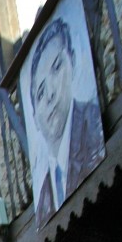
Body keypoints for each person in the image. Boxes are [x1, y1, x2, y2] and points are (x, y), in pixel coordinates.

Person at [28, 18, 105, 227]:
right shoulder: (45, 191)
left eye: (57, 67)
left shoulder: (94, 127)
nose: (51, 94)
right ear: (34, 118)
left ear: (71, 61)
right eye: (40, 92)